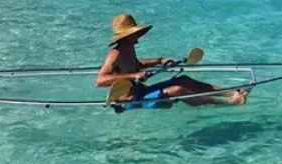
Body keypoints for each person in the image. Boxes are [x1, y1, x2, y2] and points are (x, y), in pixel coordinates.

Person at [95, 14, 248, 110]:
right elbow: (100, 80)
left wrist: (160, 61)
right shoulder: (115, 54)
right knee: (177, 90)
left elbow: (136, 65)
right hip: (128, 101)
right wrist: (134, 76)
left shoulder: (128, 48)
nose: (138, 35)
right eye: (134, 33)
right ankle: (231, 102)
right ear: (125, 36)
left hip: (141, 90)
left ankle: (233, 92)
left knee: (183, 79)